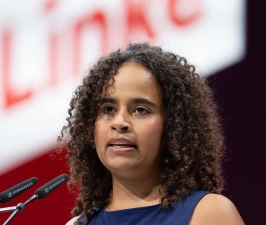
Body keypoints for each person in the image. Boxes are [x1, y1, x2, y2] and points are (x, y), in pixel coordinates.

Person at [58, 43, 244, 225]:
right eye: (108, 109)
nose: (119, 122)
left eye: (140, 110)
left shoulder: (209, 213)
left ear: (173, 125)